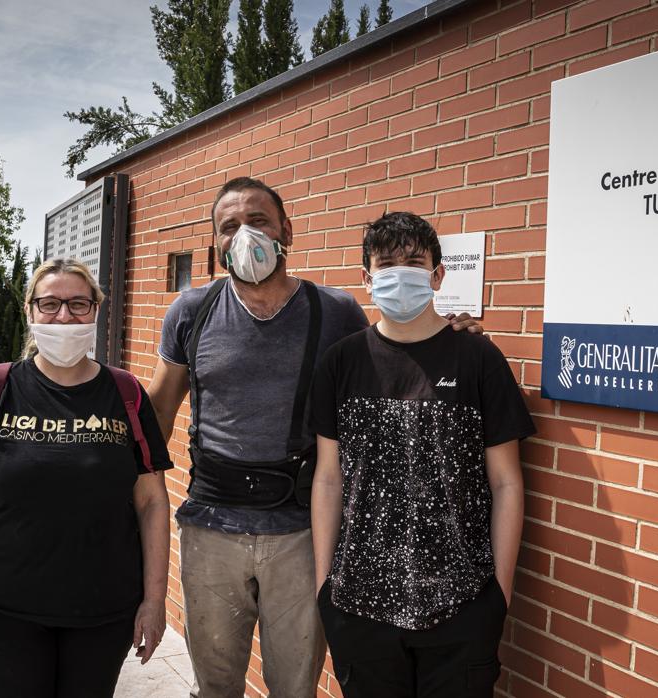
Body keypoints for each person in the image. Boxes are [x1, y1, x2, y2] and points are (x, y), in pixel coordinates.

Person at [147, 177, 480, 697]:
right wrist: (130, 502)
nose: (244, 235)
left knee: (296, 686)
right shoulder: (191, 312)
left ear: (287, 231)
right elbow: (158, 414)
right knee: (213, 685)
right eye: (228, 227)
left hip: (302, 532)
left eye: (257, 221)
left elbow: (390, 356)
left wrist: (451, 337)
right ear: (215, 245)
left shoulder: (335, 311)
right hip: (211, 527)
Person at [310, 212, 535, 697]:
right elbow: (328, 479)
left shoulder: (478, 359)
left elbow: (507, 482)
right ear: (366, 278)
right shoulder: (341, 363)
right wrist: (323, 586)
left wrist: (499, 594)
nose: (401, 273)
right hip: (358, 604)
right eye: (386, 264)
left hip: (462, 604)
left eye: (414, 262)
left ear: (438, 275)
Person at [0, 257, 173, 698]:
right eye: (49, 303)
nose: (64, 316)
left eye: (78, 304)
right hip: (3, 613)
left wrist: (155, 601)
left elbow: (153, 503)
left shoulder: (126, 394)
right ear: (29, 311)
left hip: (104, 613)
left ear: (97, 311)